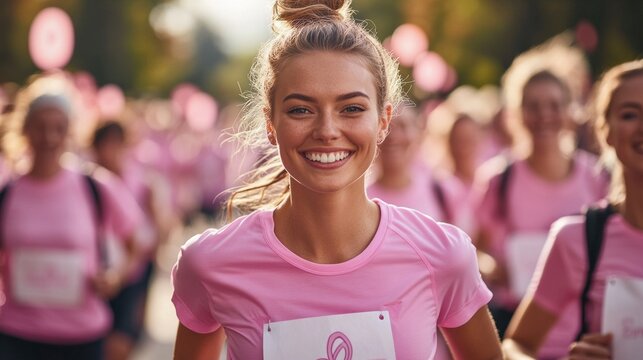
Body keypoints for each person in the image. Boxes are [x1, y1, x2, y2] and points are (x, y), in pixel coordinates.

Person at [171, 1, 502, 359]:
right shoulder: (210, 263)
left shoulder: (442, 255)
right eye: (301, 109)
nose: (327, 131)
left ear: (383, 121)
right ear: (270, 123)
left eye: (352, 109)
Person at [503, 60, 643, 359]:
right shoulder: (577, 238)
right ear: (605, 131)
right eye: (630, 114)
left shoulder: (592, 176)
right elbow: (515, 346)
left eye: (554, 105)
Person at [0, 85, 143, 360]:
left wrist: (115, 277)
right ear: (25, 129)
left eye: (59, 128)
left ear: (70, 132)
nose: (49, 137)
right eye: (40, 126)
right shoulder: (7, 192)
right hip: (15, 335)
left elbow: (134, 243)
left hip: (81, 338)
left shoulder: (96, 186)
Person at [474, 66, 609, 339]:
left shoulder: (597, 176)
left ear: (571, 110)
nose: (544, 115)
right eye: (532, 106)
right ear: (517, 112)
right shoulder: (499, 178)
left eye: (554, 105)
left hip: (582, 331)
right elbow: (476, 250)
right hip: (515, 325)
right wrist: (492, 266)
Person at [91, 120, 169, 360]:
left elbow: (160, 222)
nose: (110, 151)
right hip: (96, 271)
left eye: (116, 144)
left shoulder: (142, 181)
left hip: (134, 270)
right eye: (105, 144)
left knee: (124, 339)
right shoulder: (87, 181)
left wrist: (153, 252)